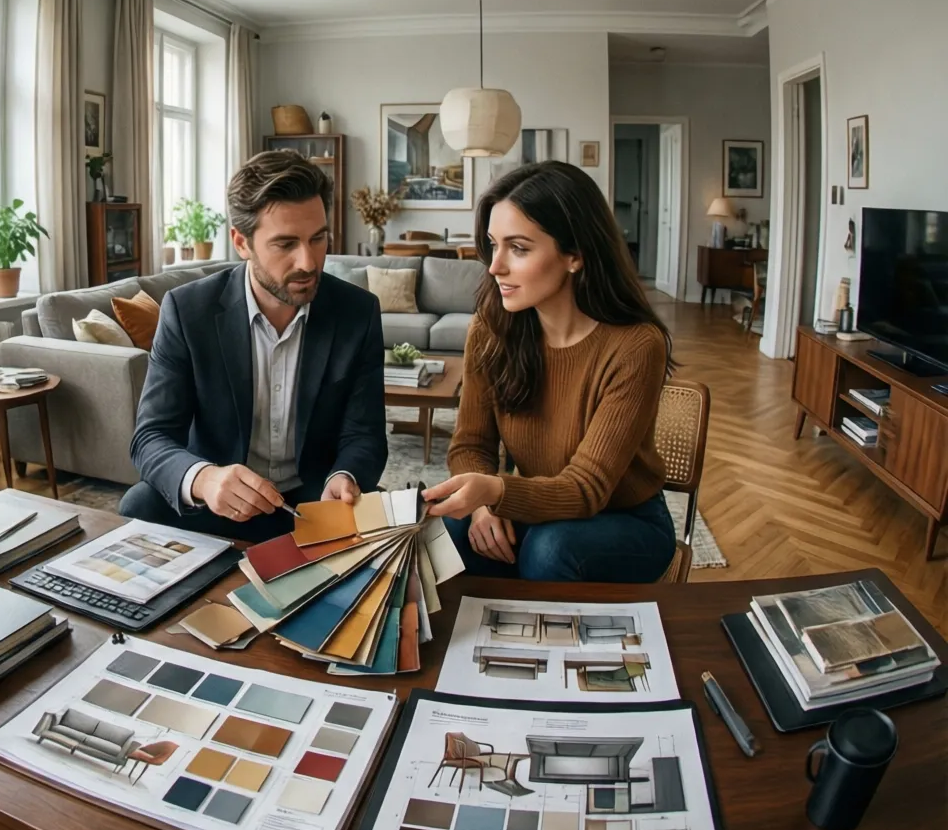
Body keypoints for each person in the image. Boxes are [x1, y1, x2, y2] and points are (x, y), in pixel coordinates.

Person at [422, 160, 676, 582]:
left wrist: (499, 493)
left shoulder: (634, 346)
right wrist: (484, 505)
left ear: (574, 255)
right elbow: (470, 444)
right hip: (538, 506)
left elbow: (586, 488)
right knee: (452, 531)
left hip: (625, 518)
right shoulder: (491, 327)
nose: (495, 266)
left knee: (549, 550)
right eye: (493, 244)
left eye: (518, 248)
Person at [119, 150, 387, 541]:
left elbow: (364, 435)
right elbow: (151, 437)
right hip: (219, 503)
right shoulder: (187, 310)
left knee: (404, 538)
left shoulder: (357, 312)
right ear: (241, 242)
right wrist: (204, 479)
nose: (309, 261)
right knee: (139, 505)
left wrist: (344, 476)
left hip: (316, 504)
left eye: (318, 238)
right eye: (285, 244)